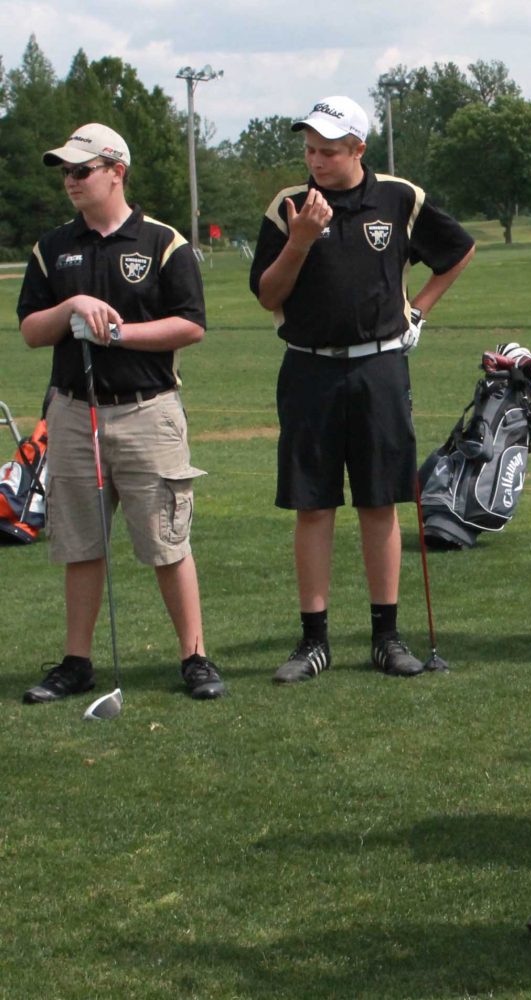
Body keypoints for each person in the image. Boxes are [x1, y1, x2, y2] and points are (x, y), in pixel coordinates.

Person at [250, 96, 475, 684]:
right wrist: (300, 238)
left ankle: (386, 636)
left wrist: (417, 311)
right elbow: (268, 295)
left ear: (358, 149)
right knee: (313, 504)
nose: (315, 161)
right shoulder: (289, 206)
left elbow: (458, 250)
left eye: (327, 150)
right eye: (309, 149)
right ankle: (313, 641)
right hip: (308, 368)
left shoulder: (399, 197)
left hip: (379, 367)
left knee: (380, 502)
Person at [17, 122, 226, 703]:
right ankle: (76, 663)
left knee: (167, 539)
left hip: (146, 412)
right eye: (65, 172)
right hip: (72, 413)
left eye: (81, 171)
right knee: (79, 544)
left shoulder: (163, 243)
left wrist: (119, 334)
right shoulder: (52, 248)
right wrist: (73, 306)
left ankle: (195, 657)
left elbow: (191, 324)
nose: (71, 182)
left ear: (117, 171)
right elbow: (33, 330)